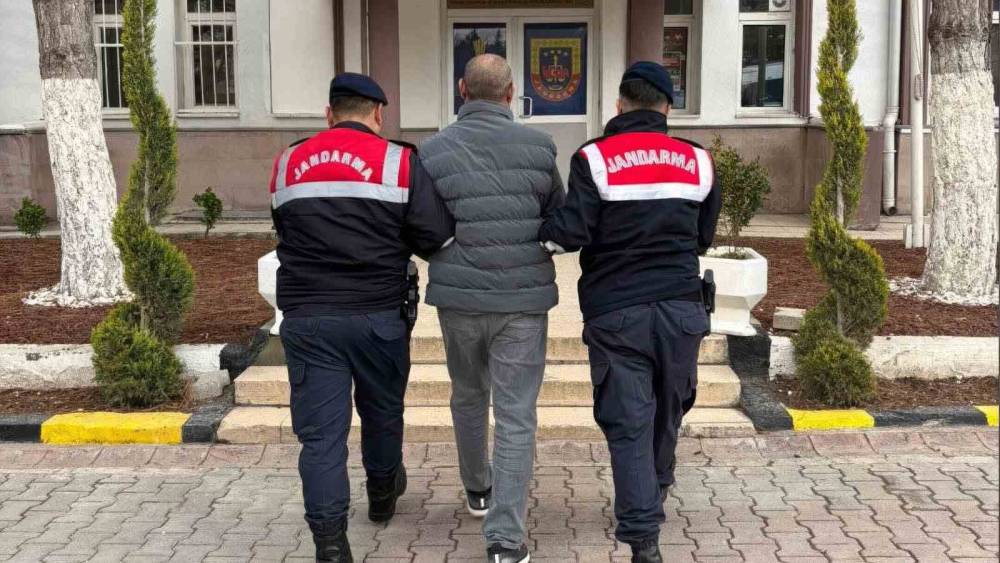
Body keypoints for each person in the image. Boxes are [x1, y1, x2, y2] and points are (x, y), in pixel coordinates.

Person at [538, 61, 721, 563]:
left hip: (617, 312)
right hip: (681, 310)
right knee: (669, 406)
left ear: (619, 104)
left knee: (628, 419)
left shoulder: (593, 157)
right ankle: (654, 487)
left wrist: (540, 229)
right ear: (667, 109)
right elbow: (703, 237)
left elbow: (572, 232)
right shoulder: (698, 160)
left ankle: (644, 538)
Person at [269, 72, 454, 563]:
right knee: (382, 411)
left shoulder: (288, 162)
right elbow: (435, 236)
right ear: (378, 114)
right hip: (378, 316)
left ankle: (330, 544)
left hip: (310, 318)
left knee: (321, 438)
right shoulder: (399, 161)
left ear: (329, 114)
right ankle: (381, 493)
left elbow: (284, 228)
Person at [419, 54, 565, 563]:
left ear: (462, 89)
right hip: (522, 301)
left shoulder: (431, 150)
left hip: (458, 298)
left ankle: (477, 488)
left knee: (467, 393)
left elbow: (422, 226)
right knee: (516, 414)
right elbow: (557, 218)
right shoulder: (540, 146)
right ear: (510, 93)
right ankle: (505, 539)